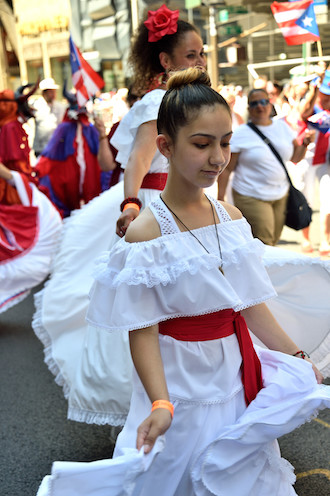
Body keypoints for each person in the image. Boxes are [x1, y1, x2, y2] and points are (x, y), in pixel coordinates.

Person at [36, 67, 329, 496]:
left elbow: (251, 305)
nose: (217, 158)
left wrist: (298, 355)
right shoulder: (146, 234)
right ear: (165, 146)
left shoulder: (230, 219)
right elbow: (143, 330)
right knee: (170, 474)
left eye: (226, 143)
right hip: (177, 383)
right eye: (201, 144)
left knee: (236, 472)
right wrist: (159, 401)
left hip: (231, 373)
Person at [32, 4, 207, 423]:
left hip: (191, 210)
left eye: (202, 53)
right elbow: (138, 166)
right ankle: (156, 404)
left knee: (195, 305)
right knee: (162, 310)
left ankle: (194, 399)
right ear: (165, 61)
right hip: (160, 213)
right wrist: (132, 205)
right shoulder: (158, 103)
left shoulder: (185, 99)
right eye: (191, 55)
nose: (201, 61)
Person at [218, 87, 314, 246]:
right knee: (265, 242)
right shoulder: (241, 133)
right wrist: (221, 199)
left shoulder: (282, 127)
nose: (260, 106)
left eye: (263, 102)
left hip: (280, 194)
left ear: (270, 104)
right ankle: (263, 271)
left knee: (274, 240)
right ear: (249, 108)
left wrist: (305, 143)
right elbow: (227, 168)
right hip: (250, 194)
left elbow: (295, 157)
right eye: (254, 103)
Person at [0, 86, 62, 312]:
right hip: (13, 188)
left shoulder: (11, 125)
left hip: (18, 185)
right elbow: (14, 162)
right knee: (19, 235)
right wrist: (25, 180)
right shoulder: (9, 127)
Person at [34, 83, 106, 218]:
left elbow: (99, 148)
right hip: (69, 167)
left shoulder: (89, 128)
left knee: (90, 190)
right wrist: (40, 166)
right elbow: (51, 150)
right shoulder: (64, 127)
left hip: (88, 168)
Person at [298, 65, 330, 256]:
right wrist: (314, 88)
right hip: (307, 159)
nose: (326, 99)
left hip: (326, 160)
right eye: (324, 95)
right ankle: (306, 237)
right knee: (306, 198)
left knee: (328, 201)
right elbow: (303, 113)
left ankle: (326, 239)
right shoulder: (312, 104)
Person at [32, 78, 66, 157]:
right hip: (41, 148)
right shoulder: (36, 106)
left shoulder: (60, 106)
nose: (53, 94)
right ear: (44, 93)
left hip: (56, 146)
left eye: (54, 91)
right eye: (51, 91)